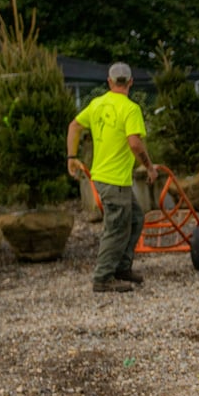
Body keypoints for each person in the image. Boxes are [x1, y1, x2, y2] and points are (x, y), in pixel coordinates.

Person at [66, 62, 158, 293]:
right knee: (116, 228)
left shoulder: (97, 104)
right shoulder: (130, 108)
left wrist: (71, 156)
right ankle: (103, 277)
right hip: (114, 180)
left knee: (136, 218)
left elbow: (74, 126)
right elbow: (135, 143)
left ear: (109, 81)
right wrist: (149, 166)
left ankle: (121, 268)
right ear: (130, 82)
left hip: (107, 179)